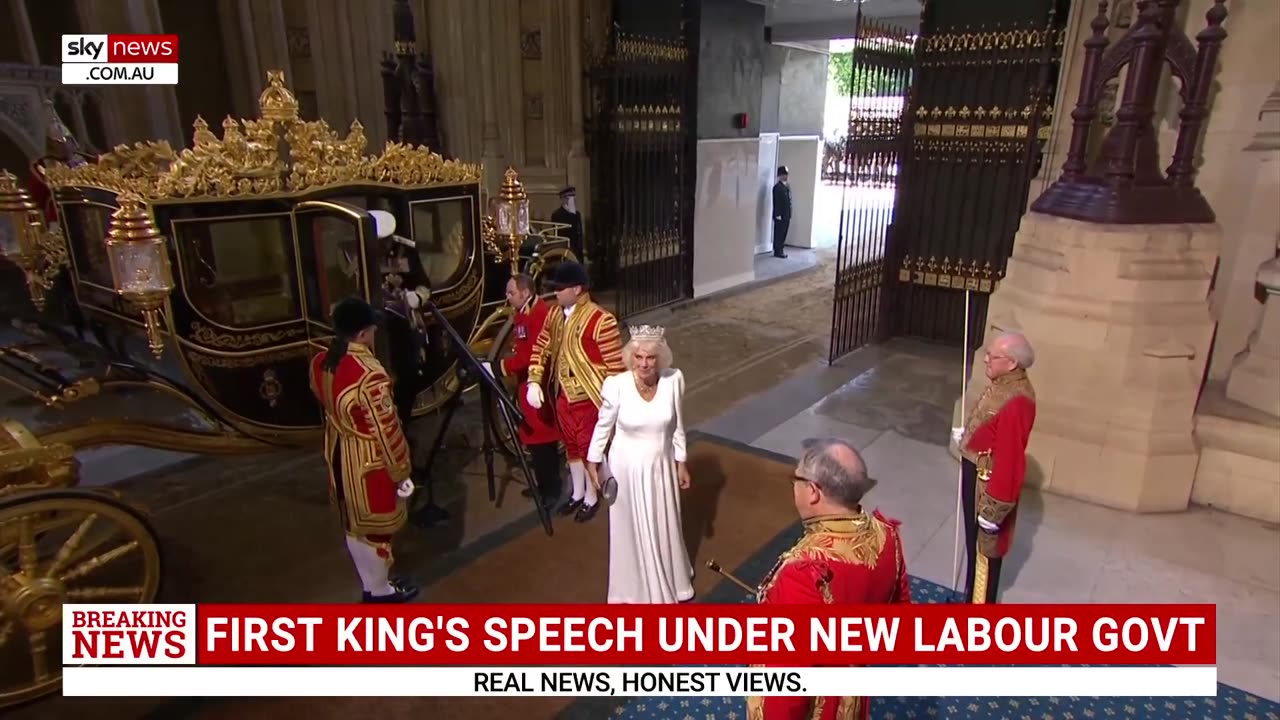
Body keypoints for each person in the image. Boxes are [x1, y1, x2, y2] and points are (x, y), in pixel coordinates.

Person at [749, 437, 911, 719]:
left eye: (796, 479)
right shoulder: (887, 535)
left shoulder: (801, 574)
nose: (793, 486)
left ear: (813, 492)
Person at [310, 297, 419, 603]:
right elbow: (387, 429)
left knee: (352, 525)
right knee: (376, 530)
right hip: (367, 462)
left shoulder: (321, 361)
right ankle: (381, 590)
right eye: (371, 329)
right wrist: (401, 471)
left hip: (338, 453)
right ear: (361, 334)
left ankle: (370, 585)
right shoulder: (369, 373)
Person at [586, 325, 695, 604]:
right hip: (627, 470)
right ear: (631, 357)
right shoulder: (617, 385)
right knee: (632, 529)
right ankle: (634, 589)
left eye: (650, 357)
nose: (644, 363)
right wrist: (593, 461)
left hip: (660, 468)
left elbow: (678, 426)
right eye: (639, 357)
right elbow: (603, 426)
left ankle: (670, 577)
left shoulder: (673, 381)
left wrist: (680, 461)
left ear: (661, 358)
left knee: (663, 523)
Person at [525, 260, 625, 523]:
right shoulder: (554, 315)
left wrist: (613, 402)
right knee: (570, 447)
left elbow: (615, 367)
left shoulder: (601, 320)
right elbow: (541, 347)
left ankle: (592, 496)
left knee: (587, 448)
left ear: (577, 289)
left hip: (588, 399)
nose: (555, 293)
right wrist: (534, 379)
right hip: (563, 396)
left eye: (560, 288)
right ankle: (577, 493)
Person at [953, 330, 1037, 604]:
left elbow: (1011, 458)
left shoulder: (1018, 399)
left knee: (984, 554)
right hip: (975, 469)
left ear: (1012, 363)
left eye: (993, 356)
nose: (986, 359)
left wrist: (994, 508)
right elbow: (990, 424)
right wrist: (969, 437)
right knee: (972, 544)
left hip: (987, 484)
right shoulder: (1003, 384)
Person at [485, 274, 562, 509]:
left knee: (543, 442)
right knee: (535, 441)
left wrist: (500, 367)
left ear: (525, 293)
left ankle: (552, 489)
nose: (507, 298)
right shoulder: (525, 313)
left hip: (537, 387)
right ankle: (543, 484)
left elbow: (530, 357)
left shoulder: (537, 315)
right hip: (526, 386)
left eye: (511, 293)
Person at [30, 100, 93, 228]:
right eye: (58, 144)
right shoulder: (43, 164)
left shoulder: (83, 160)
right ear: (51, 145)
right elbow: (38, 195)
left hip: (88, 208)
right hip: (59, 211)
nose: (64, 147)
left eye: (67, 142)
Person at [550, 186, 584, 262]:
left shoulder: (577, 214)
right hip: (566, 251)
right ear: (564, 199)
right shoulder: (557, 215)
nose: (574, 199)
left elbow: (579, 233)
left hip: (577, 252)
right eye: (571, 197)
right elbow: (559, 235)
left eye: (574, 196)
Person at [771, 166, 792, 259]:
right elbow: (777, 202)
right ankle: (777, 250)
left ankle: (781, 248)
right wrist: (777, 214)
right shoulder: (777, 187)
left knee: (784, 232)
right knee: (778, 233)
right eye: (784, 174)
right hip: (780, 215)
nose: (786, 176)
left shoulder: (786, 186)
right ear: (780, 175)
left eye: (786, 174)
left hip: (787, 214)